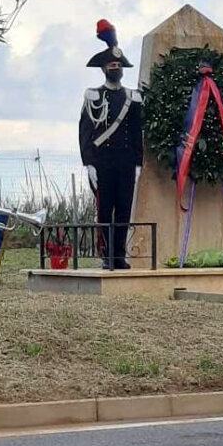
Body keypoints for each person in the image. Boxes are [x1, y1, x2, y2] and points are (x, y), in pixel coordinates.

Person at [79, 19, 143, 269]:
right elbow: (85, 132)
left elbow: (137, 131)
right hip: (102, 161)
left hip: (126, 161)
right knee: (105, 211)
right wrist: (89, 164)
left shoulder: (132, 97)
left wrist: (138, 161)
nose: (115, 68)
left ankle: (120, 255)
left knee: (124, 210)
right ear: (104, 69)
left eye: (118, 65)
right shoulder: (94, 95)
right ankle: (106, 255)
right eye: (111, 65)